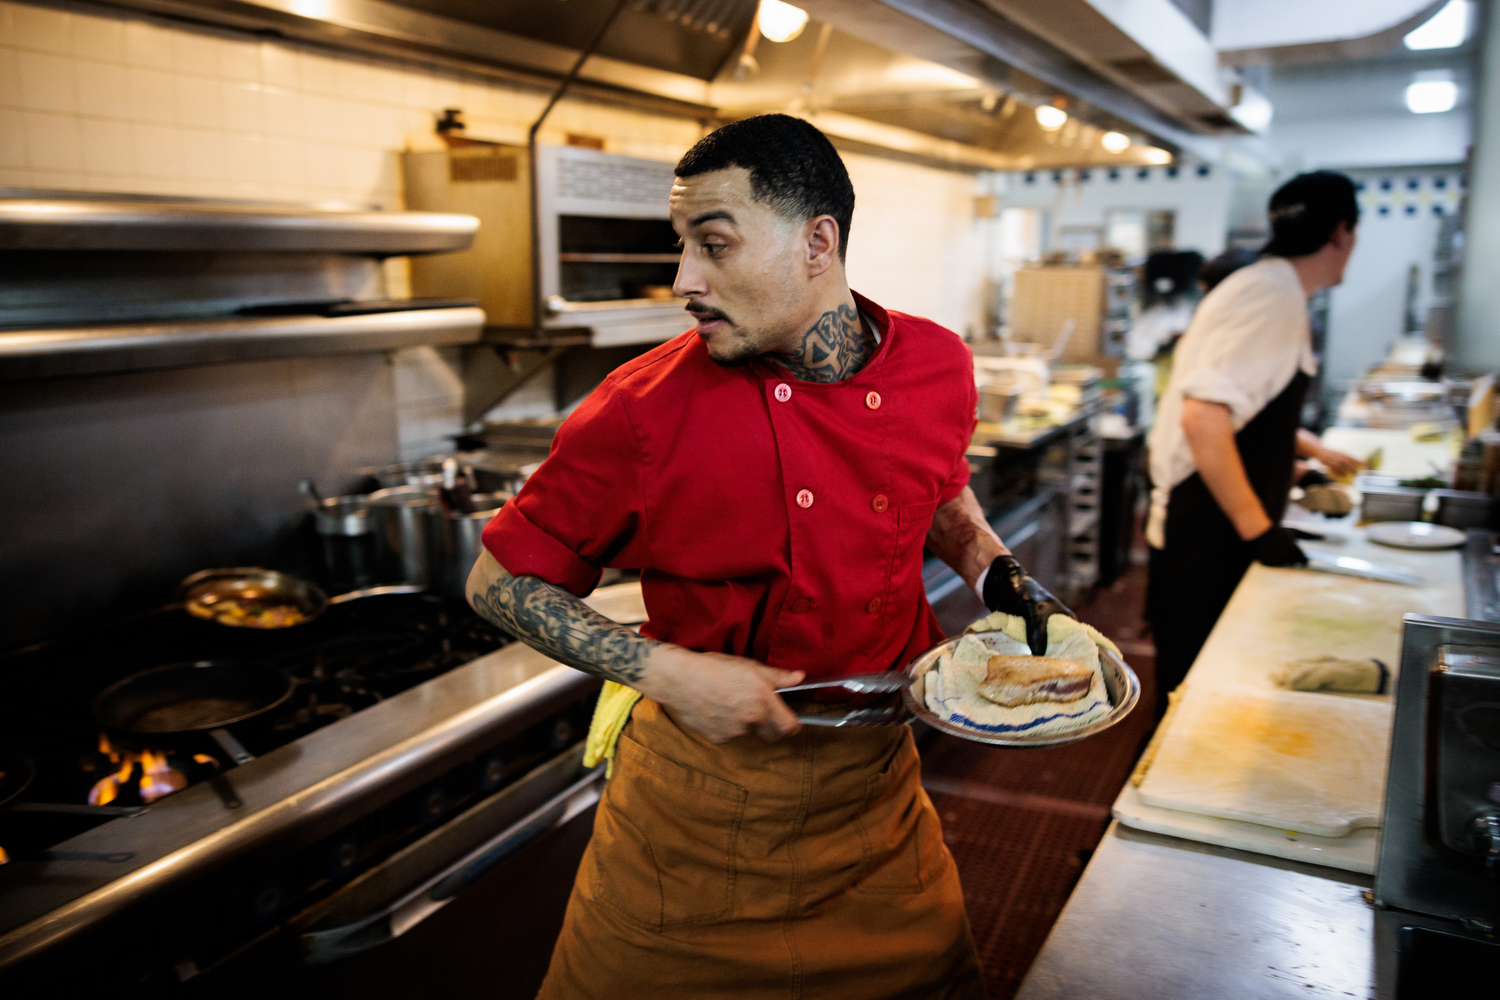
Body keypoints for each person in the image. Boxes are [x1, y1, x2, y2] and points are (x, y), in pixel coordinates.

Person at [465, 114, 1068, 998]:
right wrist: (664, 672)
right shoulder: (638, 409)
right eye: (682, 247)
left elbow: (935, 486)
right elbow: (496, 582)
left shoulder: (936, 364)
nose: (684, 281)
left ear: (817, 243)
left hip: (877, 804)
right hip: (694, 829)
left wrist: (995, 571)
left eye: (713, 245)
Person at [1144, 171, 1363, 717]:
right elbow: (1204, 420)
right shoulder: (1272, 295)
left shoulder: (1265, 286)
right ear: (1342, 233)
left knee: (1196, 689)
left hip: (1206, 524)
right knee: (1193, 699)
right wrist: (1259, 529)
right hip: (1205, 533)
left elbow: (1243, 422)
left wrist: (1296, 473)